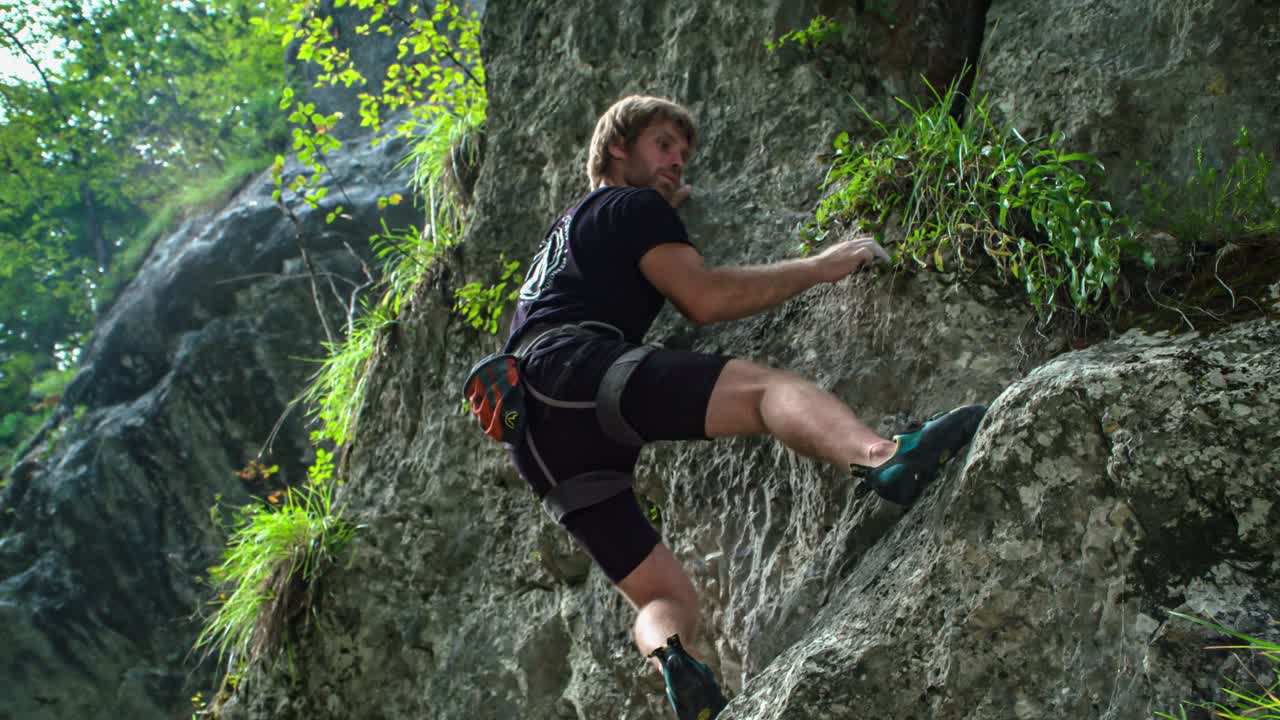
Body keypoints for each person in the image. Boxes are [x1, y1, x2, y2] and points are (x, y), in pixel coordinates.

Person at [503, 95, 985, 720]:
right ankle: (884, 457)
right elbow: (703, 298)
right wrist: (819, 266)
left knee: (661, 598)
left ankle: (675, 659)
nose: (676, 161)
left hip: (531, 429)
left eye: (683, 153)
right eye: (662, 144)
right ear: (617, 148)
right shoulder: (630, 205)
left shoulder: (563, 239)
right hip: (578, 369)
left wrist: (663, 205)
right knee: (765, 392)